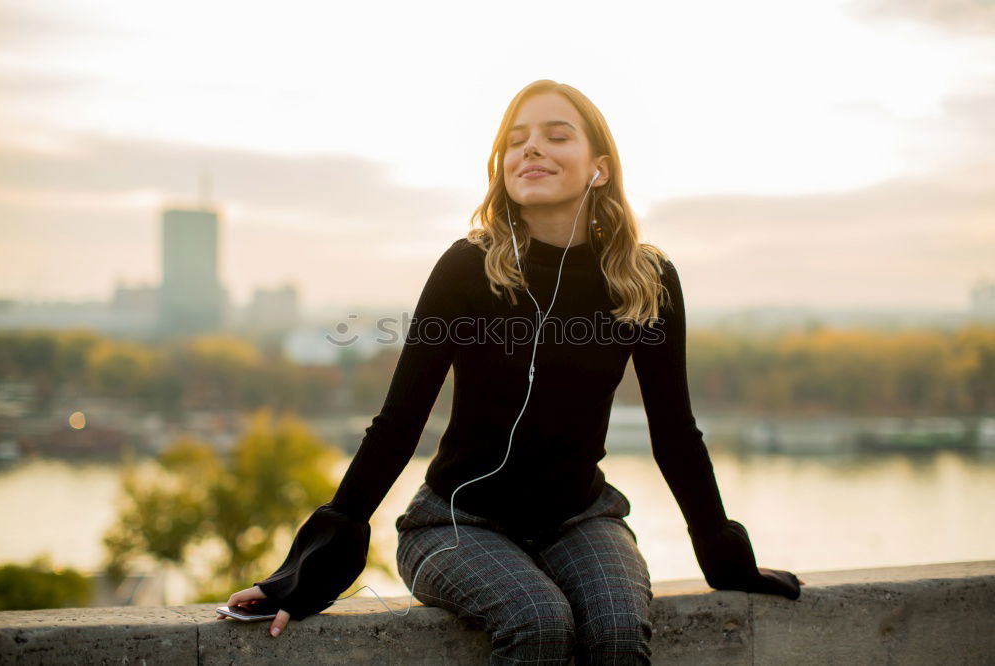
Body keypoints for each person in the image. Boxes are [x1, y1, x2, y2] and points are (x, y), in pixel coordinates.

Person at [221, 79, 805, 663]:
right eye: (516, 140)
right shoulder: (467, 267)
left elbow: (675, 431)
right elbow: (399, 421)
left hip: (582, 519)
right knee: (538, 620)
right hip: (453, 524)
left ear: (599, 168)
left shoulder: (646, 277)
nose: (531, 149)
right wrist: (307, 571)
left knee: (619, 629)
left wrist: (727, 558)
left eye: (557, 135)